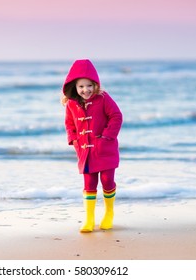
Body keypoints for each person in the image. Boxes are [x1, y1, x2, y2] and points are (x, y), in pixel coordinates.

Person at [62, 59, 123, 233]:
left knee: (106, 181)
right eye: (81, 86)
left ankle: (109, 213)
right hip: (84, 151)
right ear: (74, 87)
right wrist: (74, 141)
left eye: (89, 85)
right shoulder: (71, 104)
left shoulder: (103, 98)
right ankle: (89, 219)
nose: (85, 90)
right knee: (89, 183)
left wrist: (106, 137)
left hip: (105, 149)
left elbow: (116, 116)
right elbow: (69, 124)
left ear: (95, 84)